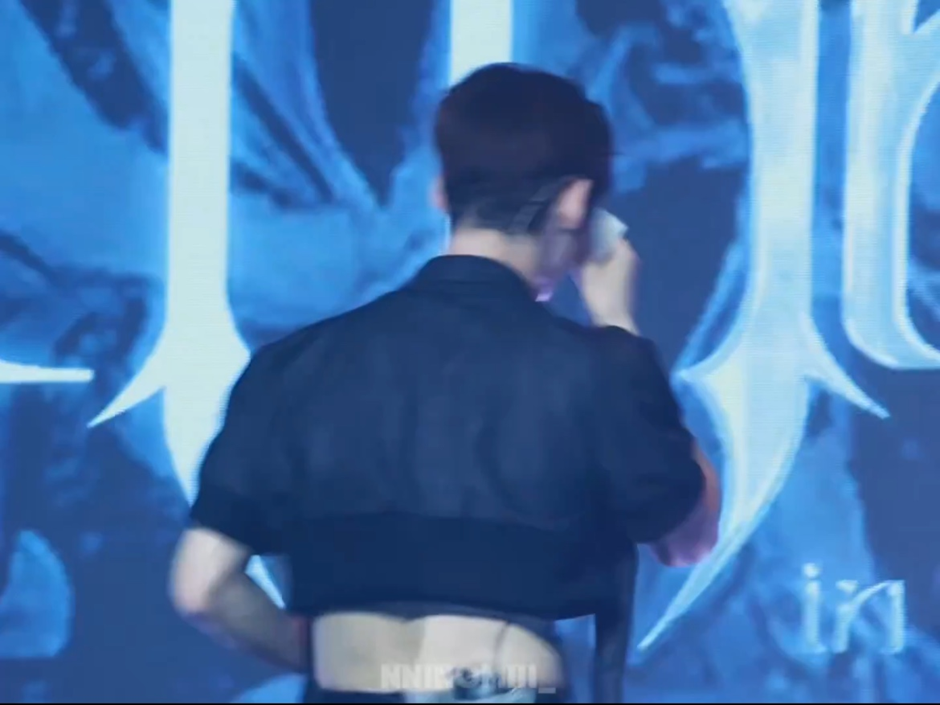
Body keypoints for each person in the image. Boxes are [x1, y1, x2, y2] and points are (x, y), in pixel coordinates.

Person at [170, 63, 721, 704]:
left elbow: (202, 587)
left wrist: (323, 660)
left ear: (441, 193)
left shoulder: (294, 365)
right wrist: (618, 324)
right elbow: (687, 537)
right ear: (576, 205)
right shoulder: (593, 370)